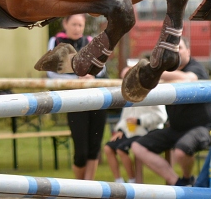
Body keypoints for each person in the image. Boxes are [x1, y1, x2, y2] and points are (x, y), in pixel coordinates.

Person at [129, 39, 211, 186]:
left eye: (180, 48)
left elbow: (187, 79)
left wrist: (155, 71)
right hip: (177, 129)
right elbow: (128, 72)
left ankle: (187, 179)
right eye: (172, 51)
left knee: (181, 150)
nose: (176, 52)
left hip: (207, 127)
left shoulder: (196, 68)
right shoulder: (167, 73)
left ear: (188, 51)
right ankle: (178, 183)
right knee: (138, 147)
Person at [47, 14, 107, 180]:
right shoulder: (56, 42)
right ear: (65, 23)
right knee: (81, 151)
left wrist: (91, 76)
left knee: (94, 147)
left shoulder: (90, 41)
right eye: (74, 24)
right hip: (74, 100)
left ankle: (89, 186)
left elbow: (101, 68)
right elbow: (51, 74)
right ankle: (80, 186)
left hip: (95, 99)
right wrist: (76, 79)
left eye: (80, 25)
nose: (77, 28)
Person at [104, 65, 167, 183]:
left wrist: (139, 121)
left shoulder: (153, 91)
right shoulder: (129, 93)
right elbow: (125, 117)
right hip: (130, 131)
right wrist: (120, 130)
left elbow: (161, 117)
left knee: (121, 149)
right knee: (108, 148)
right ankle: (119, 181)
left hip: (147, 131)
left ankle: (132, 181)